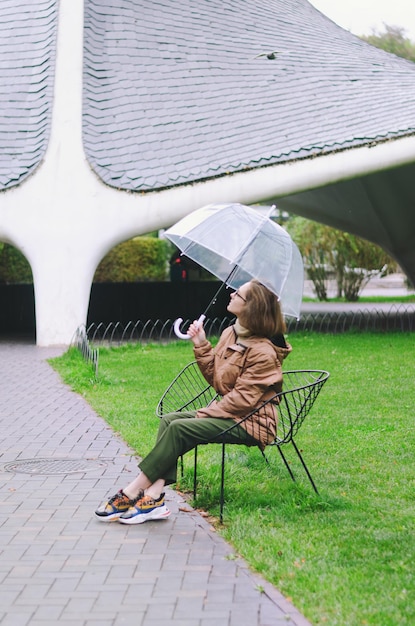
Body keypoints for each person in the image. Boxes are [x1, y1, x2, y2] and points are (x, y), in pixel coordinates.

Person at [95, 279, 292, 524]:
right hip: (231, 413)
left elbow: (243, 400)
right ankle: (154, 497)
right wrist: (201, 344)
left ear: (251, 306)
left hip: (252, 422)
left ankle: (132, 491)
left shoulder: (263, 351)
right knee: (170, 421)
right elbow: (219, 380)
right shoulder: (231, 333)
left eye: (238, 294)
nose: (231, 294)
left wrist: (205, 414)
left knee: (180, 428)